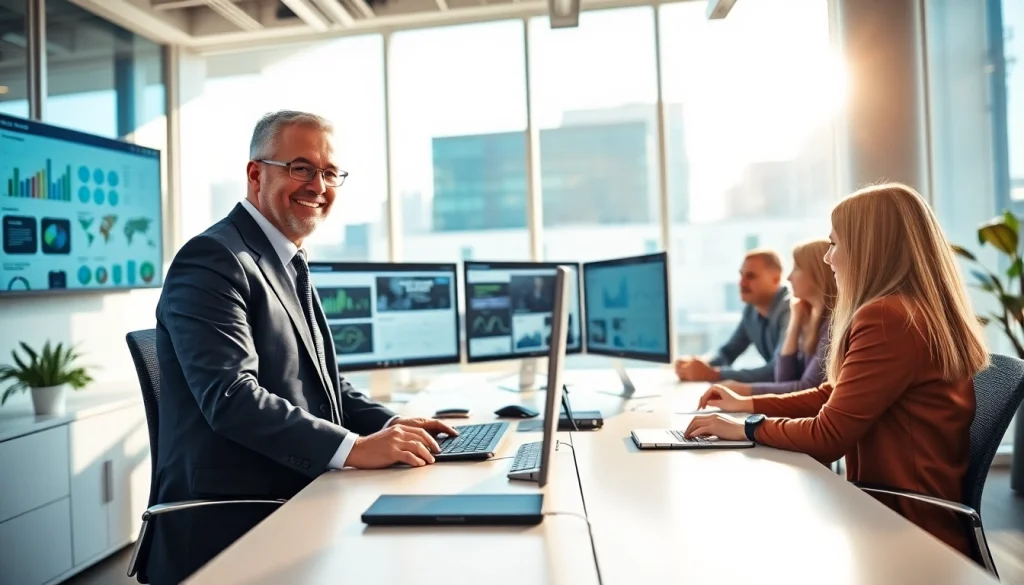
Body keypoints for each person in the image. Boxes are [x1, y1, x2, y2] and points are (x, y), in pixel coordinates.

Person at [147, 110, 458, 585]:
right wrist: (354, 448)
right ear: (256, 174)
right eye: (301, 168)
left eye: (330, 173)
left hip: (298, 492)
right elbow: (232, 398)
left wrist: (389, 425)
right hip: (236, 517)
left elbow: (325, 383)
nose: (318, 185)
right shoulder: (213, 258)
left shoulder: (287, 258)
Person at [685, 183, 988, 558]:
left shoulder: (888, 318)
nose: (828, 258)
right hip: (896, 513)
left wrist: (746, 427)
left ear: (868, 249)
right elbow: (834, 394)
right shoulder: (913, 310)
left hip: (904, 529)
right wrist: (744, 405)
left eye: (834, 244)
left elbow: (828, 437)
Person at [716, 239, 836, 396]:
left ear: (817, 273)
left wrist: (743, 390)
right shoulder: (808, 316)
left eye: (796, 268)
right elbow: (784, 379)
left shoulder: (832, 325)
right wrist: (795, 323)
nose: (789, 278)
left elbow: (808, 388)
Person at [675, 249, 790, 383]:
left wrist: (714, 375)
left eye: (750, 276)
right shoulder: (751, 310)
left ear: (776, 279)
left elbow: (776, 371)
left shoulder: (789, 309)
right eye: (741, 275)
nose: (741, 283)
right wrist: (698, 365)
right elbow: (728, 352)